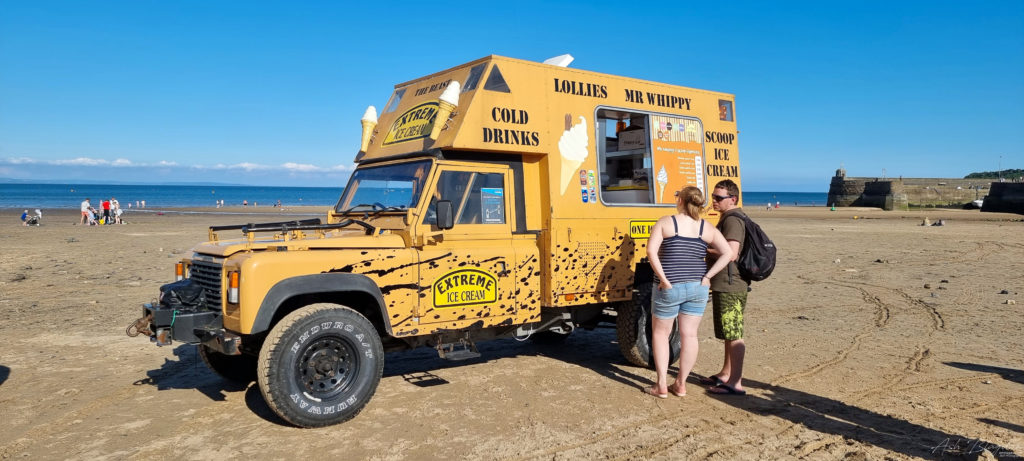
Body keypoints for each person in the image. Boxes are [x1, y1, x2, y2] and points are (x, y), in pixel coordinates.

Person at [644, 186, 733, 398]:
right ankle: (681, 384)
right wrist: (707, 276)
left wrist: (664, 280)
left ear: (681, 201)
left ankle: (662, 385)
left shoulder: (667, 222)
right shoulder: (706, 227)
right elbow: (728, 253)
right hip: (697, 287)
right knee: (690, 335)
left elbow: (651, 251)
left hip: (671, 286)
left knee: (661, 334)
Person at [704, 179, 749, 395]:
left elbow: (731, 253)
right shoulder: (729, 217)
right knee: (728, 333)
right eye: (713, 196)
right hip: (728, 283)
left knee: (734, 332)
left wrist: (705, 248)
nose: (713, 201)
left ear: (732, 199)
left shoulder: (732, 219)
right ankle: (726, 373)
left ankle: (736, 382)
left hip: (731, 283)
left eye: (718, 198)